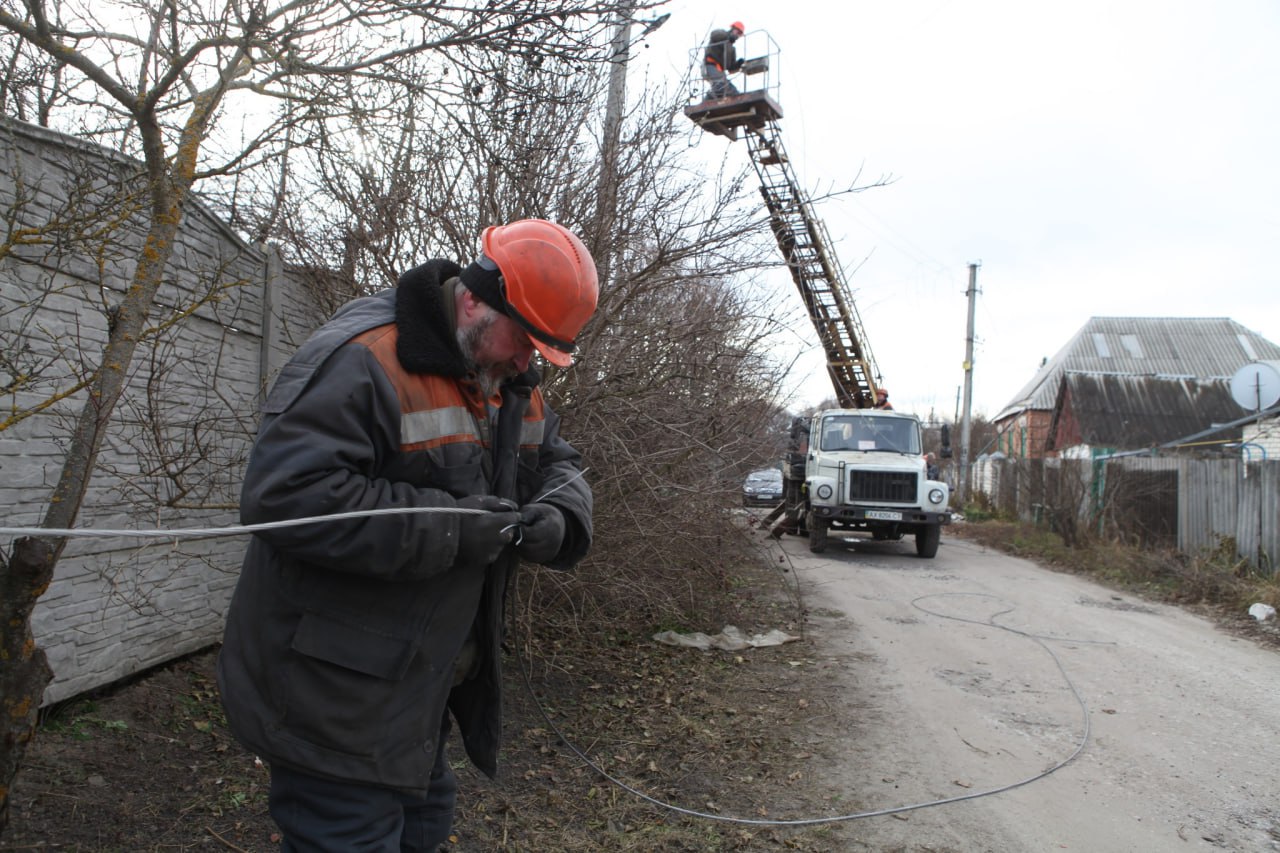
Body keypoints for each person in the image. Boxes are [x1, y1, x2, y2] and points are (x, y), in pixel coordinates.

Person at [217, 219, 598, 852]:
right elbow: (284, 496)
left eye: (542, 348)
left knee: (423, 833)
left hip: (415, 700)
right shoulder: (367, 358)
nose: (528, 359)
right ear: (474, 298)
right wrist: (454, 529)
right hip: (333, 703)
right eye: (523, 337)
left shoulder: (512, 381)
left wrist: (561, 519)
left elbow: (560, 466)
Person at [703, 20, 745, 99]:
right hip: (711, 65)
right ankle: (707, 100)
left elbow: (730, 68)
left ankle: (710, 99)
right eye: (737, 31)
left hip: (720, 71)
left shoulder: (732, 49)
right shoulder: (721, 34)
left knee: (733, 92)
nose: (738, 34)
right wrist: (728, 37)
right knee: (720, 87)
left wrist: (738, 64)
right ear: (732, 28)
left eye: (740, 33)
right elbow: (713, 35)